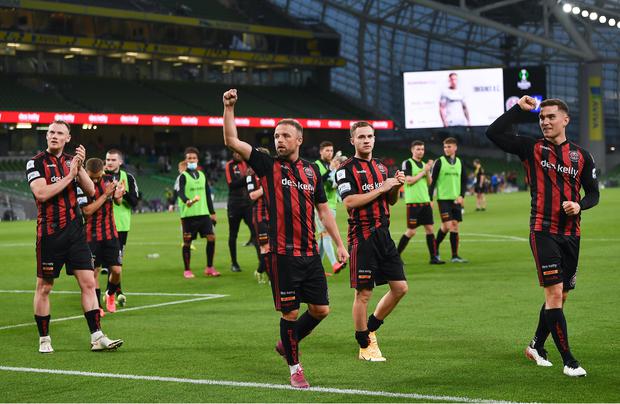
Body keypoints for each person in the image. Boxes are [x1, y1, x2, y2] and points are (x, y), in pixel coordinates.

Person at [223, 89, 348, 388]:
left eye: (285, 136)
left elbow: (324, 211)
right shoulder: (267, 165)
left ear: (299, 140)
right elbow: (231, 141)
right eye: (276, 135)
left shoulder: (311, 172)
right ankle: (295, 367)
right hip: (282, 253)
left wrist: (340, 244)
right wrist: (228, 108)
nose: (279, 140)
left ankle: (286, 343)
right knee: (290, 312)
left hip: (310, 253)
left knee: (321, 310)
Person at [486, 96, 599, 377]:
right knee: (555, 293)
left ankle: (536, 345)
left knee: (561, 297)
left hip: (572, 234)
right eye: (541, 118)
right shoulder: (531, 148)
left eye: (551, 117)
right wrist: (518, 110)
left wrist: (579, 205)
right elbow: (493, 133)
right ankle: (570, 362)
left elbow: (594, 193)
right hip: (543, 230)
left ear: (565, 120)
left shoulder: (582, 156)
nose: (545, 122)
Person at [26, 120, 123, 353]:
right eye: (51, 132)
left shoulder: (72, 162)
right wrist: (70, 177)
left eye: (60, 133)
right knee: (45, 287)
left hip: (75, 232)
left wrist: (78, 167)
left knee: (89, 283)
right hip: (50, 233)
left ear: (68, 138)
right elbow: (40, 193)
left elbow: (90, 190)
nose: (54, 136)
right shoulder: (36, 162)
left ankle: (97, 337)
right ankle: (44, 339)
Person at [336, 121, 408, 362]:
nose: (367, 140)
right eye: (362, 137)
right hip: (362, 236)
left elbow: (392, 201)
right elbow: (349, 202)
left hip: (383, 234)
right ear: (352, 141)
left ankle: (370, 327)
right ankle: (364, 343)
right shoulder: (344, 169)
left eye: (370, 136)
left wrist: (395, 186)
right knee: (364, 294)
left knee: (400, 288)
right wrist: (381, 188)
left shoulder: (380, 166)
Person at [79, 158, 125, 315]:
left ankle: (110, 294)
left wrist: (119, 195)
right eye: (92, 177)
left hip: (110, 233)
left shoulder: (110, 180)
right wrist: (106, 195)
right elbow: (87, 211)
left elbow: (117, 202)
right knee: (94, 273)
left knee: (117, 271)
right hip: (91, 236)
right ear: (86, 172)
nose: (96, 180)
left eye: (98, 176)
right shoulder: (81, 184)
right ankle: (97, 306)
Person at [397, 141, 444, 264]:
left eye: (422, 149)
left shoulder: (423, 164)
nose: (420, 151)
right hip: (413, 203)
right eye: (418, 149)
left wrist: (428, 170)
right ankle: (396, 256)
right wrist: (423, 171)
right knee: (411, 231)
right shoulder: (407, 163)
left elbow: (429, 182)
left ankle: (433, 257)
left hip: (425, 202)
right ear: (412, 150)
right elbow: (409, 180)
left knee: (430, 229)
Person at [175, 147, 219, 278]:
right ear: (186, 160)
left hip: (203, 214)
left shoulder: (202, 175)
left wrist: (212, 212)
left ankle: (209, 267)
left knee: (211, 238)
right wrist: (187, 200)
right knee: (187, 242)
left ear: (197, 160)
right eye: (189, 158)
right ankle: (187, 270)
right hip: (188, 215)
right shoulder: (182, 177)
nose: (192, 160)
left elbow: (207, 194)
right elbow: (180, 192)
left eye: (194, 158)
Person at [104, 149, 139, 307]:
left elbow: (135, 202)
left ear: (120, 162)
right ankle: (112, 293)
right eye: (107, 159)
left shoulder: (128, 178)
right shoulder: (99, 176)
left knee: (116, 263)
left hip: (122, 225)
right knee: (101, 265)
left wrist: (122, 193)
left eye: (112, 160)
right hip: (101, 224)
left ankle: (112, 292)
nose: (109, 162)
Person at [428, 137, 468, 263]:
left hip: (456, 199)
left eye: (449, 146)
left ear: (455, 148)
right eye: (445, 147)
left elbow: (464, 181)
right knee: (446, 225)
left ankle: (455, 256)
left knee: (455, 226)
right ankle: (435, 248)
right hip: (443, 199)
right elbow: (432, 181)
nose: (446, 149)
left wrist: (462, 195)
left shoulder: (460, 162)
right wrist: (430, 198)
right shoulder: (439, 162)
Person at [314, 141, 346, 275]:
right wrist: (331, 170)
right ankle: (334, 263)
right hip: (319, 206)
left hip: (332, 204)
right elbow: (317, 181)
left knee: (322, 237)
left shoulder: (331, 165)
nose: (329, 153)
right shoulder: (316, 165)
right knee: (326, 234)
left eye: (331, 151)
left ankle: (316, 269)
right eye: (327, 150)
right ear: (321, 151)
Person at [225, 151, 255, 272]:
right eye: (235, 152)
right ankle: (234, 263)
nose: (238, 154)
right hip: (234, 204)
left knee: (256, 230)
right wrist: (247, 177)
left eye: (239, 152)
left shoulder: (246, 163)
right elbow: (232, 184)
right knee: (233, 234)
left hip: (247, 203)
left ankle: (262, 265)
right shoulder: (229, 165)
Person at [246, 147, 270, 284]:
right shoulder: (251, 175)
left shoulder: (270, 172)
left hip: (273, 214)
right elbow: (252, 195)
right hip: (260, 215)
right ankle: (266, 273)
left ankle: (261, 271)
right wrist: (266, 186)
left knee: (273, 246)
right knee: (265, 247)